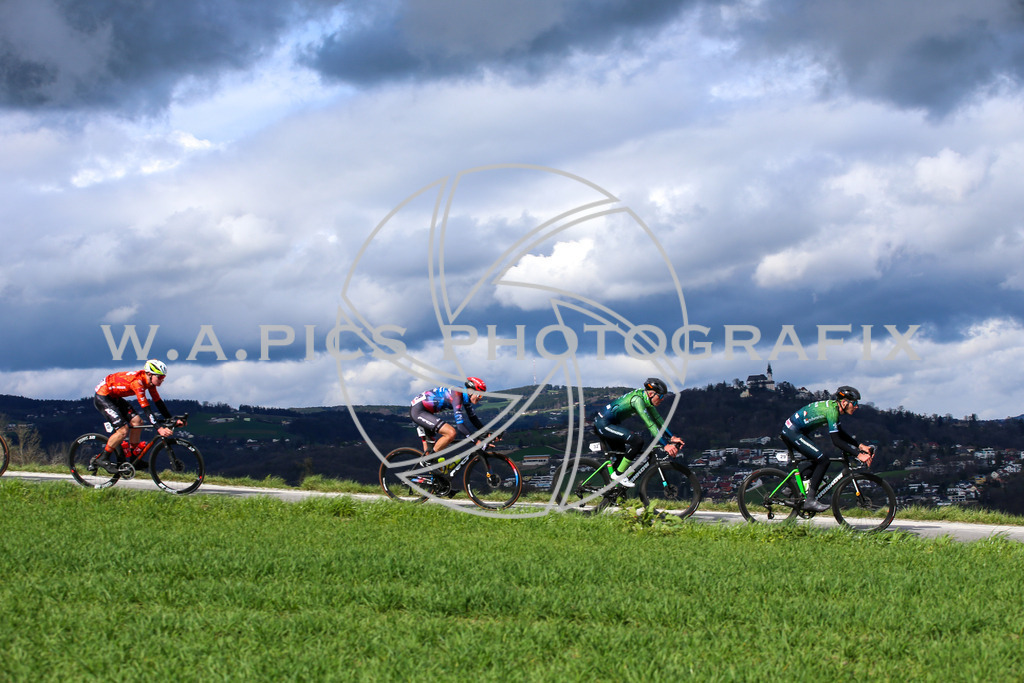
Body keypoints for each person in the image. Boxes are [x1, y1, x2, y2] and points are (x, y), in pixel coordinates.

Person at [780, 385, 875, 512]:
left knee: (818, 459)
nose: (856, 406)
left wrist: (859, 446)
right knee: (823, 460)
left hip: (797, 431)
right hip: (792, 432)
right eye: (855, 403)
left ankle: (791, 488)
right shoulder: (832, 411)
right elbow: (836, 441)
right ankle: (810, 501)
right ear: (844, 402)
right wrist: (858, 455)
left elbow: (840, 432)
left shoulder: (834, 408)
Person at [90, 359, 184, 471]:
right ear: (149, 374)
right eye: (159, 377)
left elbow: (158, 402)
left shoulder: (149, 383)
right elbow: (146, 408)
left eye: (163, 378)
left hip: (114, 397)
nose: (161, 380)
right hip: (103, 396)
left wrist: (171, 419)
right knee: (123, 430)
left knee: (138, 422)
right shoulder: (137, 383)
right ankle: (103, 458)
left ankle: (134, 458)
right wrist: (159, 428)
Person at [593, 378, 685, 487]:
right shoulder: (638, 400)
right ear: (651, 394)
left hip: (612, 424)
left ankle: (611, 489)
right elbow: (650, 424)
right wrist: (665, 445)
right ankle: (618, 475)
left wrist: (672, 437)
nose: (662, 399)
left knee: (622, 457)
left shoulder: (646, 400)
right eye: (660, 396)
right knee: (637, 441)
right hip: (603, 424)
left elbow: (658, 419)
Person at [409, 377, 488, 455]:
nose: (480, 398)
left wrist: (487, 434)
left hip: (427, 412)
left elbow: (473, 418)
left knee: (430, 451)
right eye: (479, 395)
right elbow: (460, 426)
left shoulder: (465, 397)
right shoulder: (457, 396)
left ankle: (429, 462)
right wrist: (476, 441)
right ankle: (429, 460)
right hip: (419, 411)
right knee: (451, 433)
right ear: (470, 391)